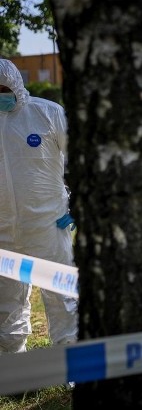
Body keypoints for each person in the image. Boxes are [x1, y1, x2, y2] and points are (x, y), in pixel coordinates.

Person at [0, 58, 78, 354]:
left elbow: (79, 158)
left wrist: (77, 204)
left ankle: (70, 362)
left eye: (3, 88)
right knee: (6, 300)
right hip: (3, 231)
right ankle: (14, 365)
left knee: (61, 295)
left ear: (16, 84)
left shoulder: (47, 113)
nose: (0, 95)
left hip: (47, 225)